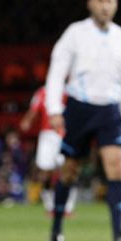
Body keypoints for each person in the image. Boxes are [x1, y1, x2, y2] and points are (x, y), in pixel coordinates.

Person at [44, 0, 121, 241]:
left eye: (110, 1)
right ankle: (57, 229)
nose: (105, 6)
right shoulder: (75, 33)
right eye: (100, 0)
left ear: (116, 5)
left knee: (116, 165)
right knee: (70, 171)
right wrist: (53, 109)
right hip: (80, 108)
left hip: (109, 110)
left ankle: (118, 234)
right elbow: (57, 70)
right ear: (90, 3)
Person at [19, 86, 77, 221]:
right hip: (47, 135)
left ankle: (68, 208)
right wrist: (27, 120)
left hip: (65, 134)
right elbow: (34, 109)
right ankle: (50, 206)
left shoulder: (71, 91)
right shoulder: (42, 92)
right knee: (45, 172)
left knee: (68, 171)